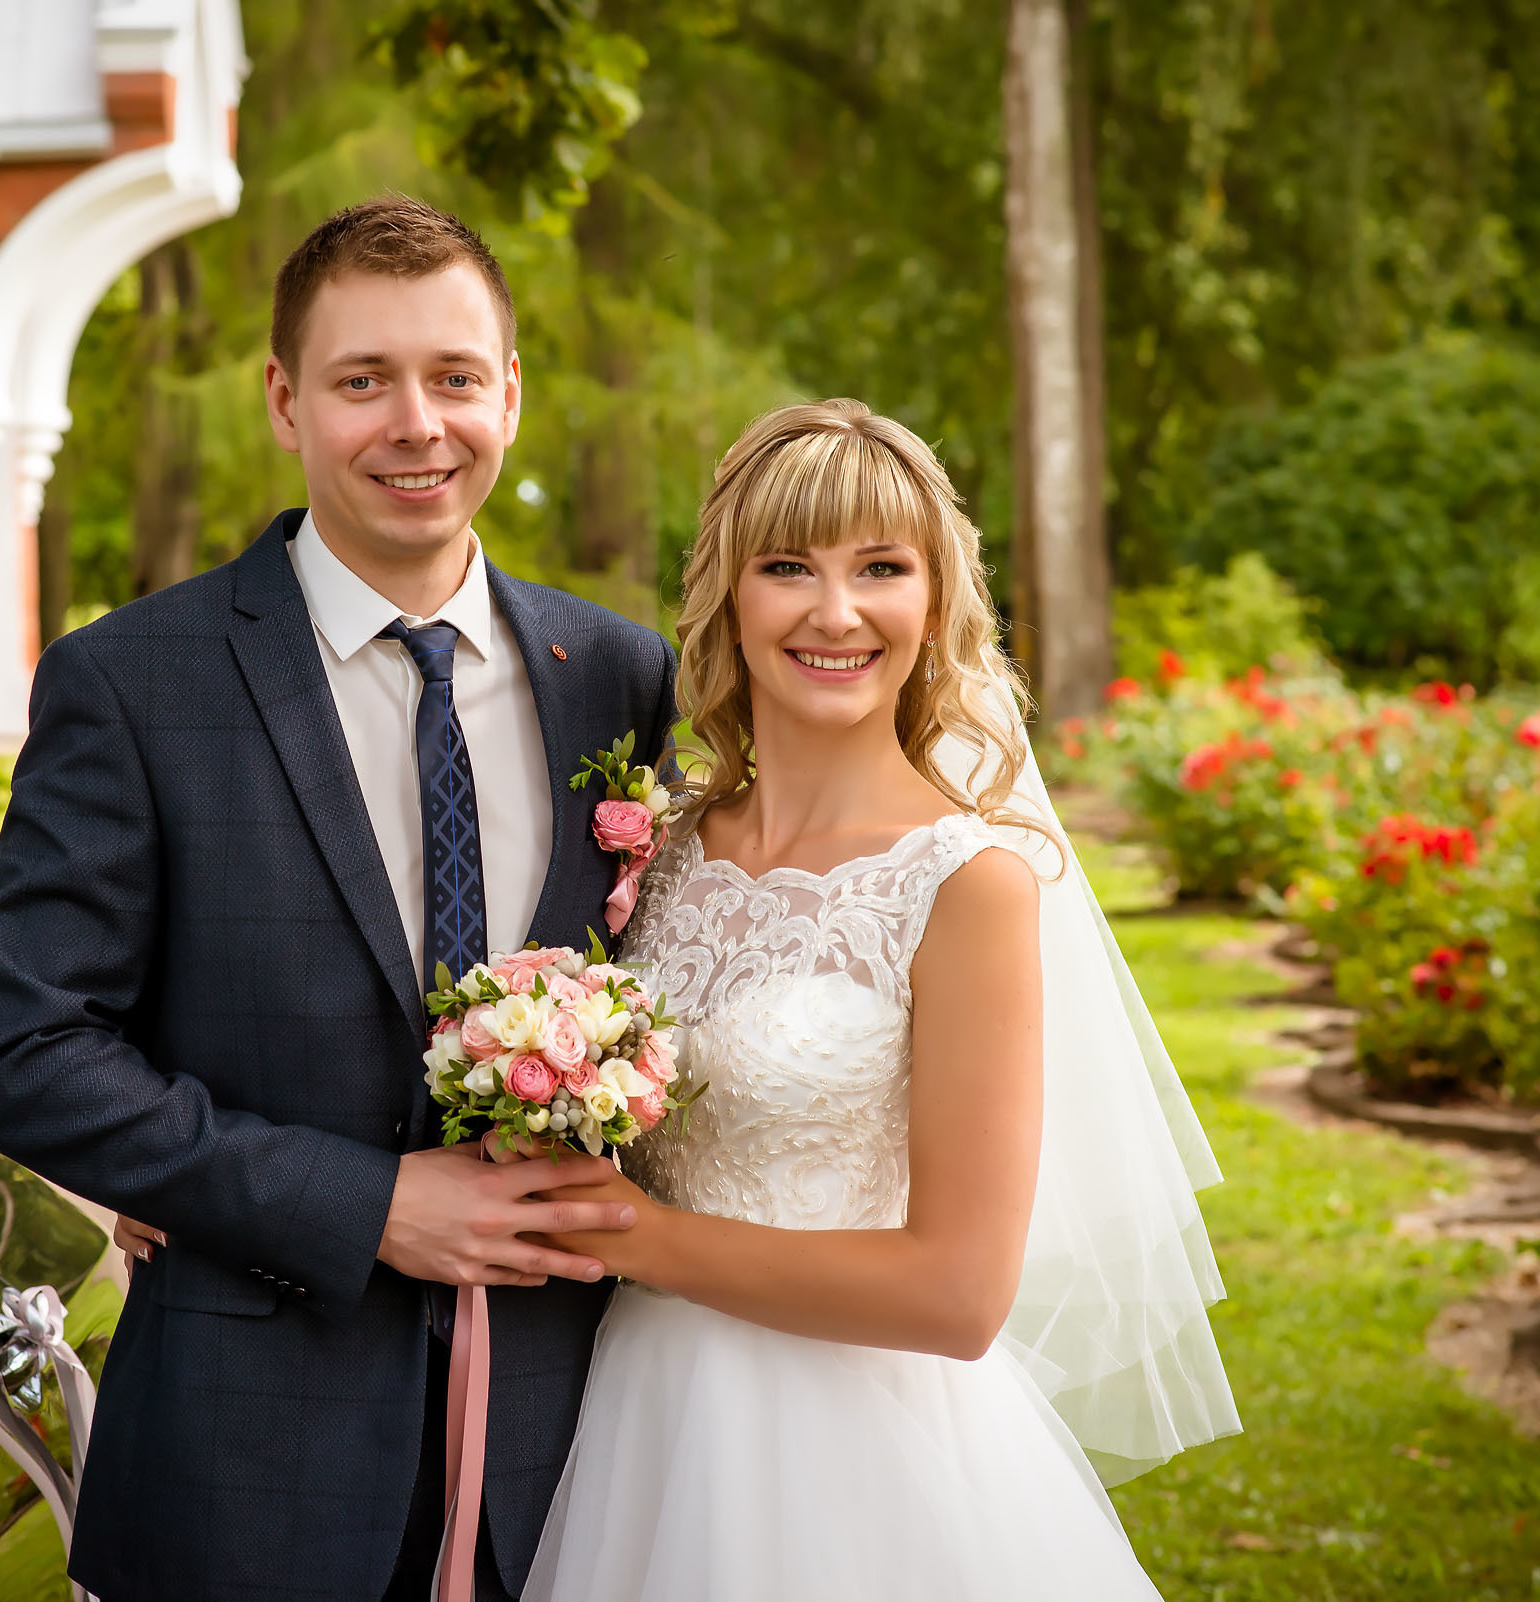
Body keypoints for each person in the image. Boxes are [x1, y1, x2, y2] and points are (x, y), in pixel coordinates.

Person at [0, 197, 676, 1602]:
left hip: (576, 1447)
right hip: (247, 1461)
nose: (419, 424)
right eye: (365, 380)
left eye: (456, 376)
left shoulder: (619, 676)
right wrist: (353, 1201)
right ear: (286, 400)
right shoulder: (133, 682)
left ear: (509, 394)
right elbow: (22, 1051)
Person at [512, 399, 1242, 1600]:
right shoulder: (658, 847)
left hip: (855, 1448)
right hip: (640, 1414)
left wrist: (638, 1238)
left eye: (882, 569)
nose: (835, 612)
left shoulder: (970, 882)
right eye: (788, 565)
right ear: (729, 596)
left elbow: (959, 1295)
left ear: (935, 601)